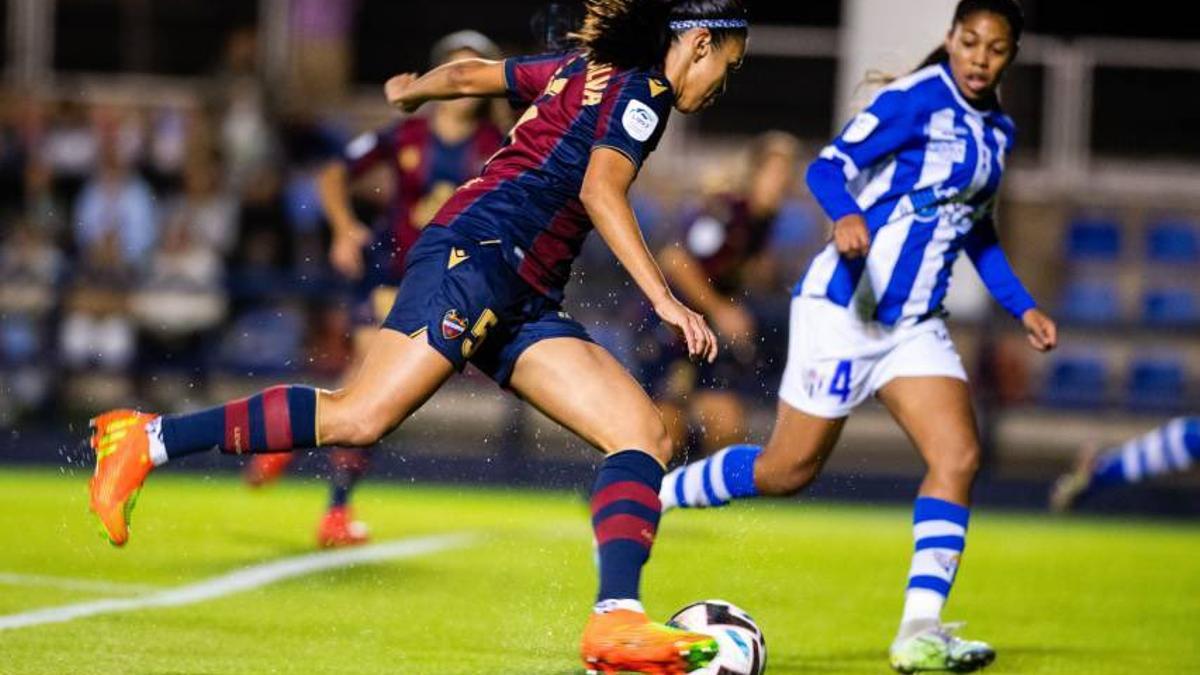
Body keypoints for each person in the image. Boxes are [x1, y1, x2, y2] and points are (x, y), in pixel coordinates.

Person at [87, 1, 748, 672]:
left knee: (644, 433)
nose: (725, 82)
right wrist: (665, 299)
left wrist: (411, 91)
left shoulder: (584, 67)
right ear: (698, 43)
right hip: (481, 255)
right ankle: (145, 439)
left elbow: (467, 77)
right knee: (360, 415)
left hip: (520, 287)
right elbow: (602, 189)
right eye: (729, 63)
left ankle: (616, 621)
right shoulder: (646, 89)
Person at [657, 1, 1058, 672]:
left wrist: (1021, 305)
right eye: (969, 41)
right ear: (952, 39)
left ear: (1010, 54)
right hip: (846, 309)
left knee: (958, 456)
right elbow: (827, 167)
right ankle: (655, 495)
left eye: (995, 48)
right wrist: (844, 217)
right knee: (786, 470)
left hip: (915, 326)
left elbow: (977, 231)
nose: (979, 57)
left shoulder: (999, 132)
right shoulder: (915, 100)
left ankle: (918, 632)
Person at [242, 31, 507, 549]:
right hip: (395, 275)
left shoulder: (496, 146)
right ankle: (332, 506)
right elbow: (333, 175)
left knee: (369, 394)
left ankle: (290, 441)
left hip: (448, 286)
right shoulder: (405, 136)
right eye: (458, 66)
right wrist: (343, 227)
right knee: (370, 390)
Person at [647, 131, 799, 456]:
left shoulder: (762, 224)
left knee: (728, 428)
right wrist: (721, 309)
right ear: (755, 173)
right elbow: (675, 260)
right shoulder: (727, 212)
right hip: (671, 331)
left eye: (787, 176)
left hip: (707, 337)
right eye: (775, 173)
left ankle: (688, 491)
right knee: (664, 435)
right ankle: (634, 495)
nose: (781, 184)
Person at [1050, 417, 1200, 511]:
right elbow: (1080, 479)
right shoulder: (1100, 474)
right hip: (1176, 443)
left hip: (1174, 440)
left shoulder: (1105, 468)